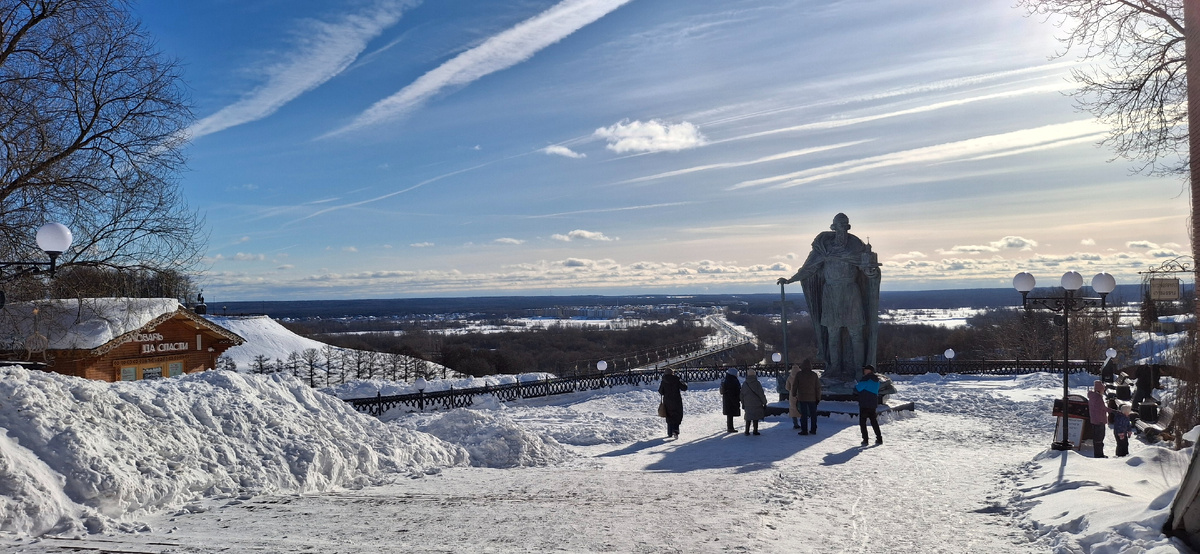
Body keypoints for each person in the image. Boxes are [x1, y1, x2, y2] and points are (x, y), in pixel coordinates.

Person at [777, 213, 881, 383]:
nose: (843, 229)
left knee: (856, 332)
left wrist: (871, 272)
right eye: (840, 225)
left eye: (846, 225)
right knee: (832, 332)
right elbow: (808, 269)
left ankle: (857, 369)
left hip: (850, 292)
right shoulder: (823, 248)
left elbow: (866, 267)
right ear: (833, 227)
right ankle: (834, 368)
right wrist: (790, 280)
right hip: (831, 293)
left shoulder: (856, 246)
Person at [790, 359, 822, 435]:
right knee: (813, 415)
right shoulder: (814, 375)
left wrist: (794, 394)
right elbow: (818, 387)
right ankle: (813, 429)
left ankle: (804, 430)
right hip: (812, 398)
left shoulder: (799, 374)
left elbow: (794, 385)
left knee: (803, 415)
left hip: (802, 397)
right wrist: (818, 398)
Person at [855, 365, 883, 446]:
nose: (864, 371)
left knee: (863, 422)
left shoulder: (866, 379)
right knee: (874, 421)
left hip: (864, 403)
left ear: (869, 370)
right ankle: (879, 438)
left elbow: (858, 388)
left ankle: (865, 439)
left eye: (865, 369)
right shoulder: (876, 380)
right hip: (873, 403)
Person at [658, 368, 688, 438]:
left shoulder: (663, 381)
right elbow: (684, 388)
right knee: (677, 415)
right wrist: (684, 382)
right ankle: (675, 431)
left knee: (669, 416)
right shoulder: (676, 380)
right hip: (676, 401)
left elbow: (660, 391)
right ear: (672, 373)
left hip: (667, 401)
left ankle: (669, 432)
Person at [740, 368, 768, 435]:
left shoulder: (745, 384)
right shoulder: (757, 383)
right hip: (757, 403)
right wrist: (764, 402)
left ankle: (747, 431)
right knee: (756, 417)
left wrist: (743, 402)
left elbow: (741, 394)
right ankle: (755, 430)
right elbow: (761, 394)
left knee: (748, 417)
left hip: (747, 403)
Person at [1087, 380, 1108, 458]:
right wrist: (1115, 411)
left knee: (1097, 439)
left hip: (1095, 420)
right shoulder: (1098, 398)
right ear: (1100, 389)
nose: (1104, 391)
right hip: (1100, 421)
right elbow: (1103, 408)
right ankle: (1099, 455)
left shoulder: (1092, 397)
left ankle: (1098, 454)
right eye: (1103, 389)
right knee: (1099, 439)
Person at [720, 367, 741, 433]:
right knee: (730, 413)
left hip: (727, 400)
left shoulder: (726, 379)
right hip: (731, 399)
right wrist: (736, 400)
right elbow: (734, 391)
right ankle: (730, 428)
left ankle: (730, 427)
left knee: (729, 414)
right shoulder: (732, 381)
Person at [785, 364, 802, 429]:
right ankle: (802, 422)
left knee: (793, 409)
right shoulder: (801, 376)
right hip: (801, 395)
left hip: (792, 395)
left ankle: (795, 424)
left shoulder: (790, 377)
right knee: (801, 408)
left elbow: (787, 387)